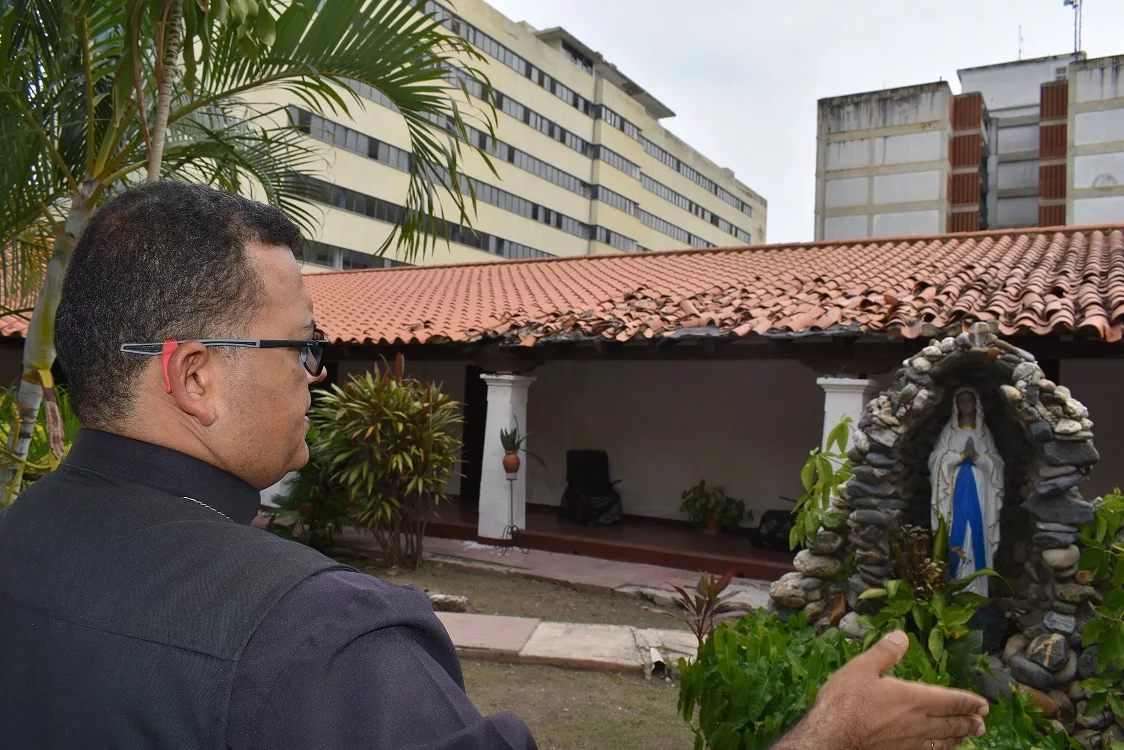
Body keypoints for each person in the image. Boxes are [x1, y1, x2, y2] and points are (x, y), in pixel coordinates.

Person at [0, 182, 988, 749]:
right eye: (300, 346)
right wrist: (825, 739)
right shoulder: (315, 639)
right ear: (198, 377)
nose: (317, 375)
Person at [929, 387, 1005, 596]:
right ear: (956, 405)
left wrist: (978, 458)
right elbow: (935, 459)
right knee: (957, 532)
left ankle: (978, 589)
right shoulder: (949, 432)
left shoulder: (983, 433)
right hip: (956, 492)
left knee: (977, 531)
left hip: (980, 491)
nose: (965, 405)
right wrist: (962, 457)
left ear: (976, 404)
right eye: (961, 401)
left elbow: (997, 463)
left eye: (968, 401)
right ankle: (956, 586)